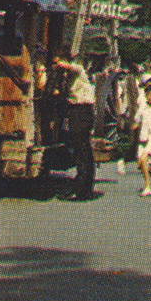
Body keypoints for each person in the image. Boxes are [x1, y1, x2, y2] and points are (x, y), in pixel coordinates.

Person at [52, 53, 100, 201]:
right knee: (82, 150)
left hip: (82, 111)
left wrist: (57, 61)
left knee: (82, 150)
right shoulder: (70, 77)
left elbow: (68, 66)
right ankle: (84, 187)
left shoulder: (79, 70)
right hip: (77, 111)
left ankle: (81, 189)